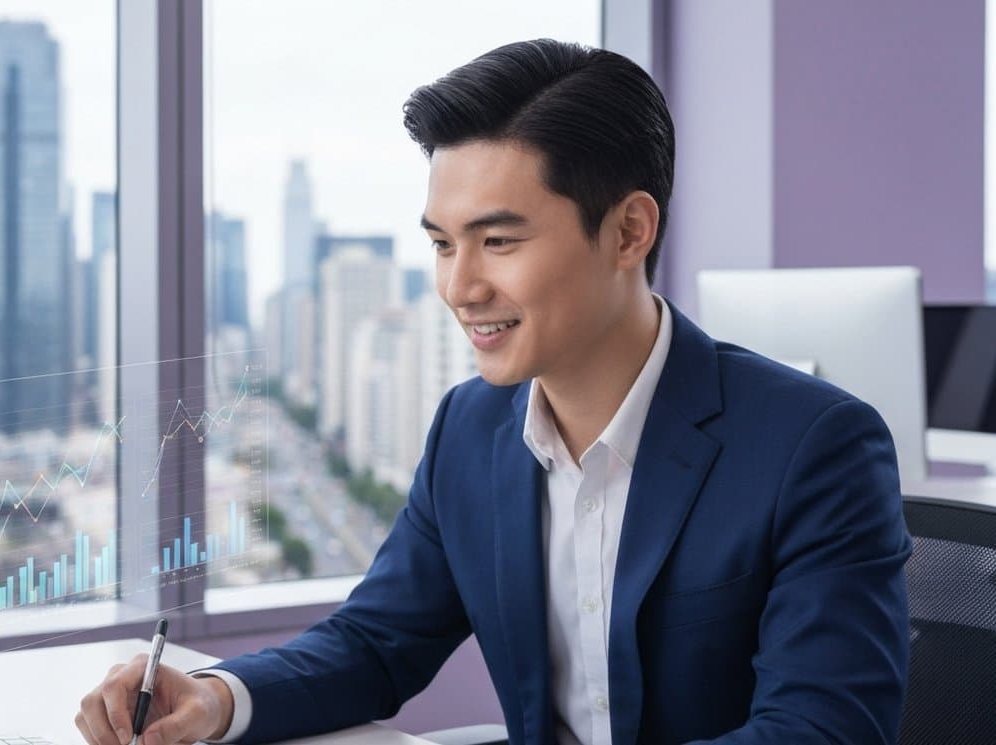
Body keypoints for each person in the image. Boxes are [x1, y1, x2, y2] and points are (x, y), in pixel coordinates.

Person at [74, 38, 911, 745]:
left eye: (498, 241)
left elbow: (818, 729)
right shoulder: (469, 427)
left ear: (628, 231)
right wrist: (216, 698)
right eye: (443, 244)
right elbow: (377, 641)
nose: (460, 286)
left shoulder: (813, 447)